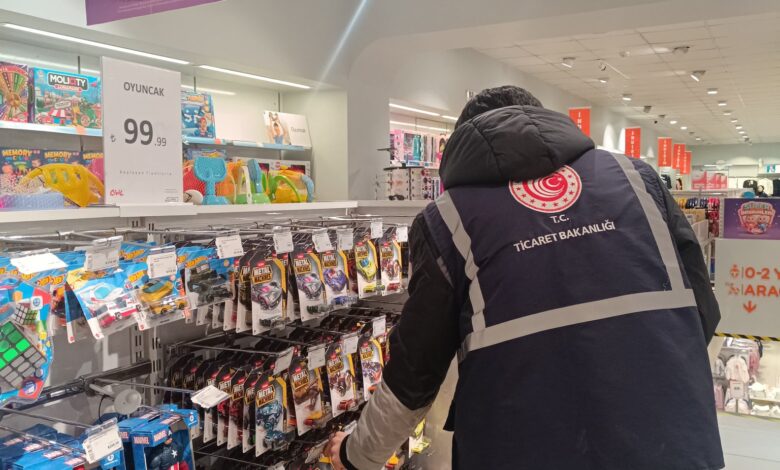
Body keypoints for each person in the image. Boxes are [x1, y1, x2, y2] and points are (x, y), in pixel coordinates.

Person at [325, 86, 723, 470]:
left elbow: (415, 372)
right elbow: (703, 311)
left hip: (521, 445)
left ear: (464, 143)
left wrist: (357, 455)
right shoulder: (637, 179)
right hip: (671, 438)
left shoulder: (448, 220)